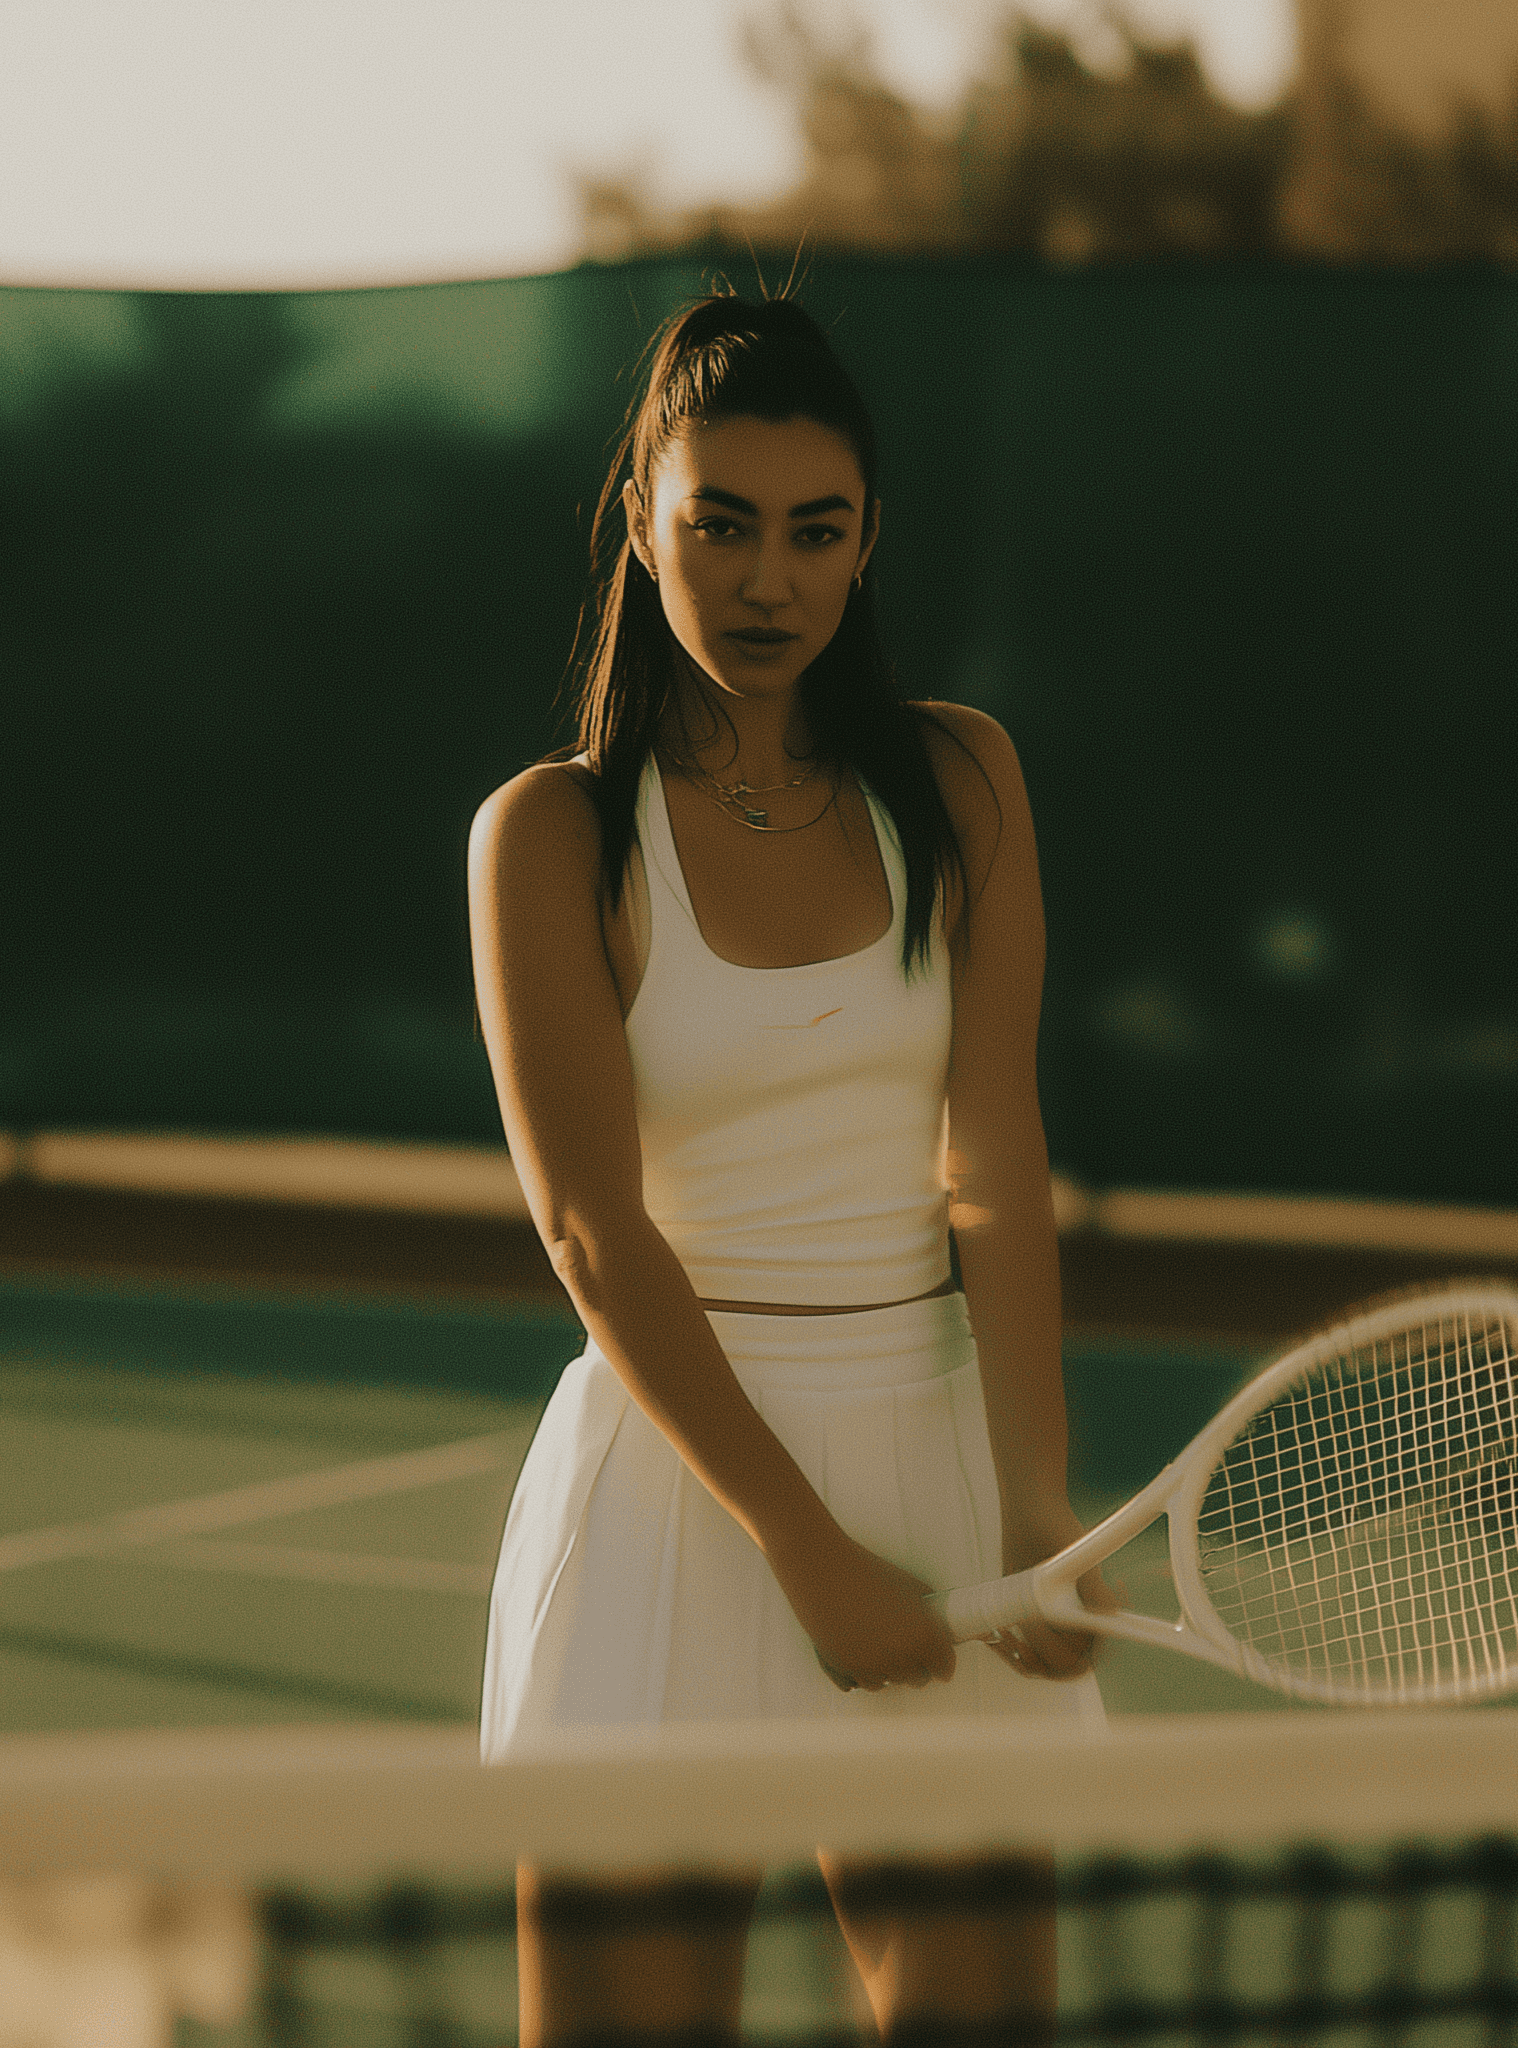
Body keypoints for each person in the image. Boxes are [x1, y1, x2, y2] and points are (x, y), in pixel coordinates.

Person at [467, 291, 1119, 2046]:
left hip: (934, 1456)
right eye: (724, 525)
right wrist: (805, 1548)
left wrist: (1035, 1500)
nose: (770, 580)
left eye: (815, 533)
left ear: (867, 541)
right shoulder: (550, 836)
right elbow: (594, 1233)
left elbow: (995, 1148)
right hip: (672, 1496)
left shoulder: (966, 781)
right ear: (643, 518)